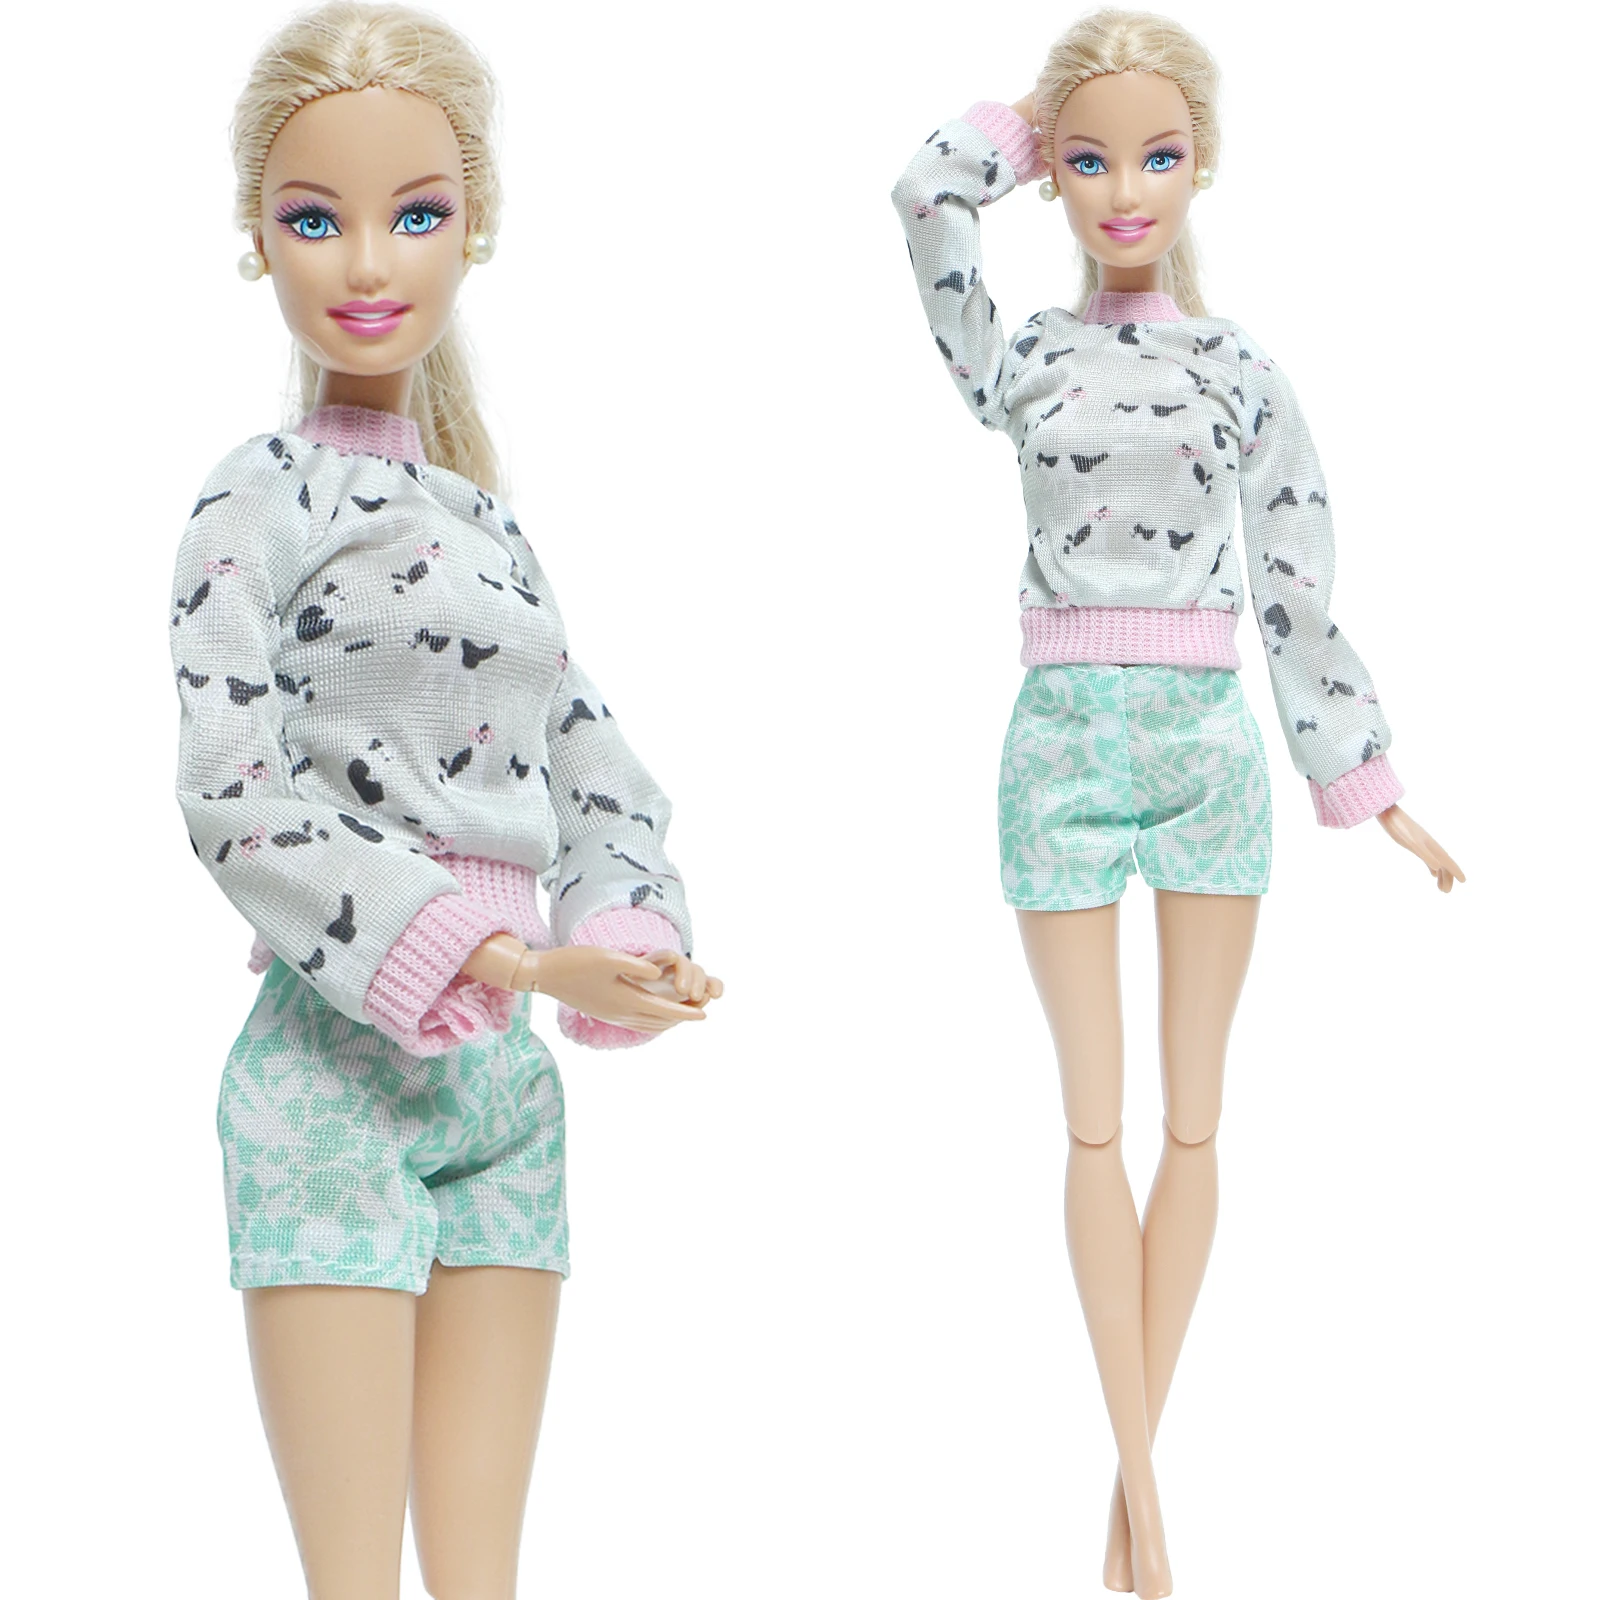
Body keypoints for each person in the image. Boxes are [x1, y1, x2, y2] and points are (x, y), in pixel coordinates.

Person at [890, 9, 1462, 1596]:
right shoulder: (1021, 361)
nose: (1124, 189)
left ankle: (1133, 1497)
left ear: (1203, 163)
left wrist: (1363, 777)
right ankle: (1143, 1490)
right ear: (1054, 177)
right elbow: (924, 197)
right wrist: (1030, 116)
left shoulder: (1238, 369)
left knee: (1193, 1122)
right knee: (1093, 1125)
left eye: (1156, 154)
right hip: (1058, 755)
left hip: (1210, 750)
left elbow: (1295, 580)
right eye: (1090, 161)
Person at [169, 5, 720, 1593]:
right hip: (328, 1080)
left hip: (503, 1095)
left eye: (413, 215)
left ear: (476, 226)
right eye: (313, 218)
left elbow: (592, 755)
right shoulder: (255, 497)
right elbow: (233, 793)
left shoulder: (489, 525)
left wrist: (632, 932)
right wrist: (510, 956)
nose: (365, 262)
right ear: (255, 235)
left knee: (483, 1570)